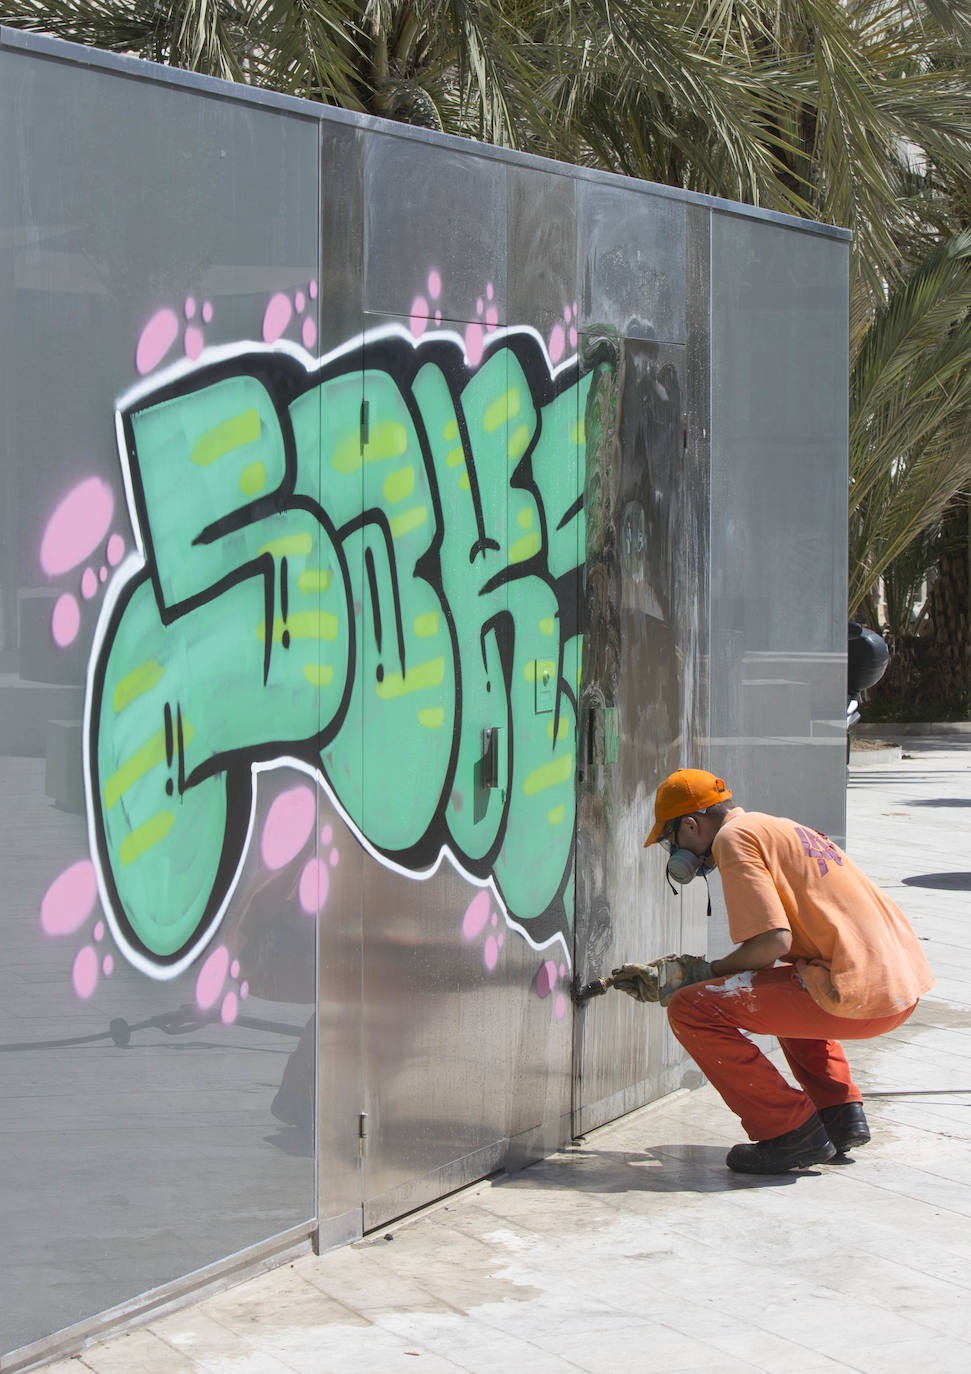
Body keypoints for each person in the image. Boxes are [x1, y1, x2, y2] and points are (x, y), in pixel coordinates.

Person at [611, 769, 934, 1174]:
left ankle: (790, 1132)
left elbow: (771, 943)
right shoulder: (779, 828)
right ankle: (839, 1114)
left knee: (692, 1009)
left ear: (691, 825)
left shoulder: (733, 838)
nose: (673, 849)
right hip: (899, 987)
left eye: (670, 840)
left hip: (864, 993)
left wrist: (700, 974)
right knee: (782, 986)